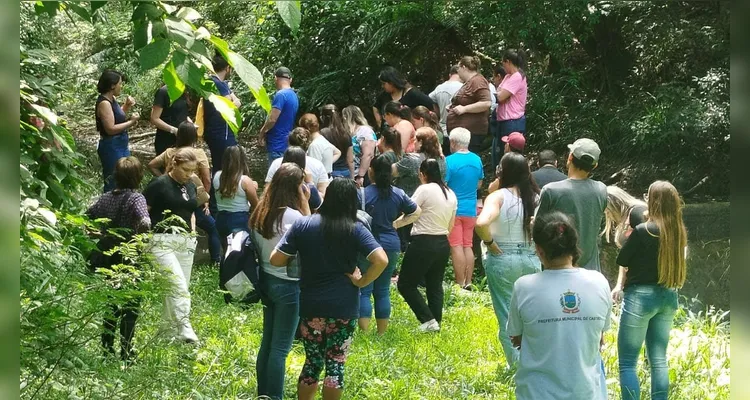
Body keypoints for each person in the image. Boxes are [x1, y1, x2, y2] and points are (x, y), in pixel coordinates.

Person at [270, 178, 388, 400]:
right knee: (336, 364)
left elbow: (275, 260)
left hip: (311, 304)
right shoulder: (355, 228)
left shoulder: (303, 225)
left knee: (312, 362)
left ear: (328, 197)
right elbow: (381, 260)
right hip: (344, 306)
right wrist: (361, 282)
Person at [507, 211, 612, 400]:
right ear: (574, 245)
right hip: (588, 393)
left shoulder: (524, 286)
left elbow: (516, 338)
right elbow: (600, 337)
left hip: (536, 393)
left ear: (539, 250)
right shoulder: (599, 282)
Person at [612, 181, 687, 400]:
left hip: (639, 298)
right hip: (668, 296)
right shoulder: (678, 232)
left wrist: (628, 234)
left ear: (652, 201)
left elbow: (622, 259)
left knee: (627, 364)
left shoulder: (643, 230)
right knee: (659, 361)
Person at [250, 162, 311, 400]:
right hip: (288, 284)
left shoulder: (260, 211)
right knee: (280, 348)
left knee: (267, 342)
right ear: (295, 187)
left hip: (265, 279)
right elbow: (312, 235)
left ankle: (263, 393)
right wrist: (306, 204)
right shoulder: (294, 217)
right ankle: (274, 397)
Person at [475, 152, 541, 367]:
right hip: (532, 258)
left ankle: (517, 367)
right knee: (532, 314)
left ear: (502, 172)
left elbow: (481, 223)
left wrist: (489, 243)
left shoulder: (499, 196)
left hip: (503, 257)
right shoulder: (536, 197)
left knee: (507, 314)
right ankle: (536, 362)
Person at [86, 156, 150, 361]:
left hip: (108, 257)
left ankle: (106, 348)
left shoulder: (105, 198)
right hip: (129, 257)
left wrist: (99, 235)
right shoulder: (136, 198)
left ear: (116, 176)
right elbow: (145, 222)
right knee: (130, 305)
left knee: (111, 303)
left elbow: (87, 217)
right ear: (138, 177)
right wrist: (137, 241)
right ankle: (126, 350)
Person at [143, 148, 201, 344]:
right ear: (174, 164)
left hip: (185, 242)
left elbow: (192, 210)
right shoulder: (159, 184)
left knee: (179, 287)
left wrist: (192, 233)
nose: (189, 174)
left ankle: (167, 332)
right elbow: (143, 212)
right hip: (161, 240)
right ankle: (185, 329)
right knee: (177, 286)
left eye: (192, 170)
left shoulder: (191, 185)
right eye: (185, 169)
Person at [359, 156, 421, 334]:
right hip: (391, 245)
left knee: (365, 288)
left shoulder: (362, 194)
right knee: (383, 289)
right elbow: (416, 211)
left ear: (371, 171)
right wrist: (396, 224)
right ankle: (381, 332)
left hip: (368, 245)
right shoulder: (398, 193)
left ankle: (363, 332)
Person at [148, 121, 222, 265]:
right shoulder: (199, 153)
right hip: (189, 197)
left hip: (170, 198)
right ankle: (216, 261)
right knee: (213, 228)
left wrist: (162, 178)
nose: (189, 173)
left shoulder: (170, 152)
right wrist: (204, 199)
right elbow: (207, 179)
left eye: (191, 171)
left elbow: (151, 165)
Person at [397, 159, 457, 332]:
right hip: (443, 242)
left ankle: (428, 319)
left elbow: (412, 212)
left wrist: (393, 225)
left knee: (405, 285)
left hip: (423, 241)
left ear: (423, 174)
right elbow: (450, 226)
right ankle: (436, 322)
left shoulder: (424, 189)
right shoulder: (450, 193)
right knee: (434, 285)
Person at [536, 138, 607, 271]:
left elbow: (538, 229)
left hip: (557, 270)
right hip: (590, 272)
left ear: (570, 157)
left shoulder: (551, 191)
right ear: (595, 165)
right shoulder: (601, 190)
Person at [445, 128, 484, 289]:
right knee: (467, 245)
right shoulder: (477, 160)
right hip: (471, 209)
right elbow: (479, 184)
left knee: (456, 246)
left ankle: (460, 283)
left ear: (453, 142)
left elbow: (444, 185)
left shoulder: (449, 161)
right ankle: (469, 282)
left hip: (454, 209)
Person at [95, 69, 139, 193]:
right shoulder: (104, 103)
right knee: (114, 180)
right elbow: (110, 129)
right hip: (111, 146)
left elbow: (116, 117)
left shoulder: (111, 99)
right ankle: (108, 209)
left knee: (126, 178)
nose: (121, 86)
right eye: (120, 83)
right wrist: (132, 121)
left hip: (120, 144)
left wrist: (126, 106)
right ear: (112, 85)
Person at [203, 53, 242, 172]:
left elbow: (236, 101)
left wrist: (234, 100)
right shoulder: (219, 84)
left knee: (218, 164)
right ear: (227, 68)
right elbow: (232, 105)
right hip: (221, 132)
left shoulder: (212, 82)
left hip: (212, 131)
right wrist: (233, 101)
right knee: (226, 167)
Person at [213, 145, 260, 244]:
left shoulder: (217, 176)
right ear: (242, 160)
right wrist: (253, 187)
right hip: (239, 218)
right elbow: (256, 205)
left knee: (227, 250)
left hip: (221, 217)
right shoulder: (245, 180)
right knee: (240, 252)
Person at [446, 56, 492, 154]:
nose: (457, 72)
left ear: (464, 67)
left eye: (458, 68)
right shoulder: (470, 82)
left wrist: (464, 109)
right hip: (464, 133)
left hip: (472, 134)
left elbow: (486, 102)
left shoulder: (478, 81)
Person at [373, 66, 435, 131]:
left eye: (384, 84)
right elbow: (375, 107)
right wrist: (379, 122)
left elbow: (430, 105)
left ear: (391, 82)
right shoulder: (384, 95)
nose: (382, 86)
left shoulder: (412, 93)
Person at [259, 67, 300, 165]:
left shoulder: (281, 95)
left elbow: (272, 119)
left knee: (275, 175)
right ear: (290, 80)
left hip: (276, 143)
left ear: (275, 79)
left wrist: (262, 132)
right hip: (286, 142)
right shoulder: (294, 95)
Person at [494, 49, 528, 159]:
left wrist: (500, 95)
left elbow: (500, 97)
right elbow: (499, 91)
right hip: (504, 120)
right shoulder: (508, 77)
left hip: (512, 121)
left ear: (508, 62)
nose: (503, 67)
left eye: (503, 63)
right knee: (501, 153)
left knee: (510, 155)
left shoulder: (517, 76)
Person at [429, 65, 464, 155]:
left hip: (442, 128)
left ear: (450, 75)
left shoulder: (439, 88)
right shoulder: (463, 87)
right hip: (458, 128)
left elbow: (430, 99)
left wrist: (437, 114)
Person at [150, 84, 190, 155]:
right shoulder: (163, 92)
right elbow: (154, 118)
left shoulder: (182, 91)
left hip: (182, 140)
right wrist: (174, 130)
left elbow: (182, 113)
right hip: (166, 141)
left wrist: (191, 124)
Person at [342, 105, 377, 186]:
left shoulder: (365, 131)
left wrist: (360, 176)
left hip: (362, 175)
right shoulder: (351, 132)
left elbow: (368, 155)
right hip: (351, 174)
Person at [319, 104, 354, 178]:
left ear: (323, 118)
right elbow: (350, 159)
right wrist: (352, 177)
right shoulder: (346, 134)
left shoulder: (322, 134)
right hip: (345, 172)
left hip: (330, 172)